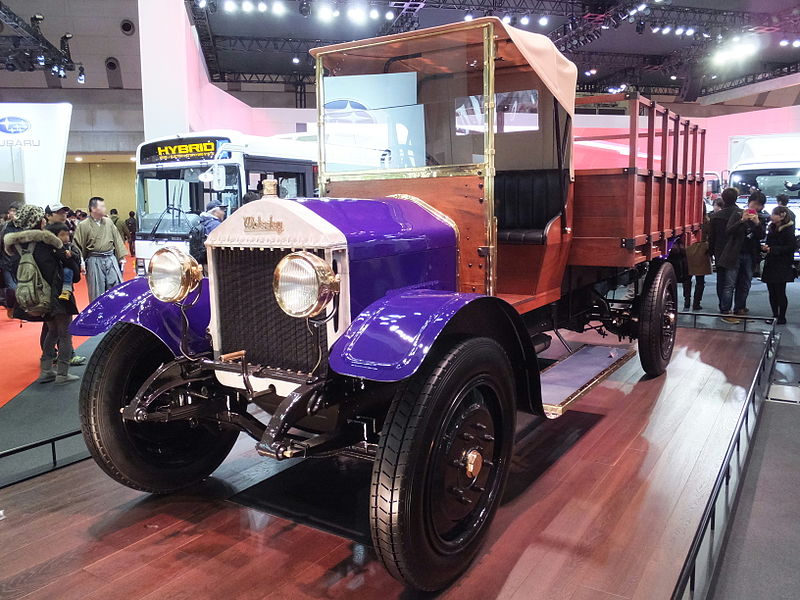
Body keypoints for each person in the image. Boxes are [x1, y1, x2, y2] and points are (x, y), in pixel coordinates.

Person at [3, 206, 81, 384]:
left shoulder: (14, 245)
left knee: (51, 331)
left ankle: (46, 370)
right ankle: (62, 373)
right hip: (57, 294)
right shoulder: (48, 243)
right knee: (65, 333)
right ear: (39, 220)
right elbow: (72, 271)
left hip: (32, 295)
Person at [716, 191, 766, 322]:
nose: (755, 207)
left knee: (745, 284)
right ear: (749, 202)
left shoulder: (760, 218)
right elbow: (729, 231)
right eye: (754, 204)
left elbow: (761, 236)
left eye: (759, 205)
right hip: (734, 254)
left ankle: (740, 308)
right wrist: (742, 221)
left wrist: (757, 223)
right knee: (729, 284)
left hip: (750, 254)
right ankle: (726, 311)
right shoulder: (737, 214)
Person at [73, 197, 128, 302]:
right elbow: (77, 245)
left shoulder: (108, 222)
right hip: (94, 260)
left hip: (110, 258)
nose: (105, 208)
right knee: (97, 290)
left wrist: (121, 256)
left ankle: (114, 312)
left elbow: (117, 238)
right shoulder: (83, 225)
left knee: (116, 286)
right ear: (93, 209)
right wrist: (81, 262)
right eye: (102, 206)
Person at [707, 187, 741, 318]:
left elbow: (712, 237)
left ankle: (723, 306)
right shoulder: (740, 214)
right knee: (731, 283)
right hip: (735, 250)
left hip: (719, 250)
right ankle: (727, 309)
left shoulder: (715, 216)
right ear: (736, 198)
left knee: (721, 281)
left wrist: (710, 252)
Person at [761, 206, 796, 325]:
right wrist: (766, 247)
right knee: (771, 291)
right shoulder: (772, 227)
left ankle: (782, 317)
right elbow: (769, 242)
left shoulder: (789, 229)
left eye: (774, 214)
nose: (772, 216)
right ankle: (774, 315)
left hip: (782, 264)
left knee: (780, 291)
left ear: (782, 215)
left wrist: (773, 249)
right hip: (771, 263)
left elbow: (790, 247)